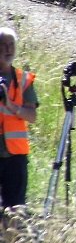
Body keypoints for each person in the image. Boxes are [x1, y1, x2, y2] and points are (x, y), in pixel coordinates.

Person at [0, 27, 38, 216]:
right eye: (4, 45)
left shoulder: (23, 79)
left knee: (16, 209)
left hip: (15, 156)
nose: (8, 50)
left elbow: (32, 117)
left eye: (11, 45)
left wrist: (12, 105)